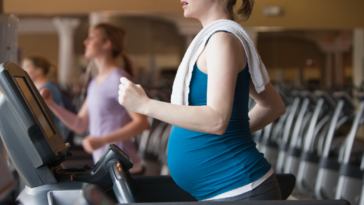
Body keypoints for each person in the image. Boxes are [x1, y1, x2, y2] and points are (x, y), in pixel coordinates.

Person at [118, 0, 286, 201]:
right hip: (224, 190)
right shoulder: (216, 40)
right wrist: (230, 134)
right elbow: (273, 106)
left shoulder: (222, 40)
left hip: (239, 189)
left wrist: (145, 105)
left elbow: (217, 119)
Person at [40, 23, 149, 174]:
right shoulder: (95, 82)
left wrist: (102, 140)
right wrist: (50, 104)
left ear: (106, 44)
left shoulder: (119, 78)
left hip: (125, 168)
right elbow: (80, 124)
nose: (85, 42)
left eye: (92, 37)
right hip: (106, 166)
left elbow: (142, 123)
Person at [22, 56, 67, 140]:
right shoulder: (40, 87)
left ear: (38, 71)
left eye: (26, 67)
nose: (23, 70)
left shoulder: (47, 88)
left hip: (53, 137)